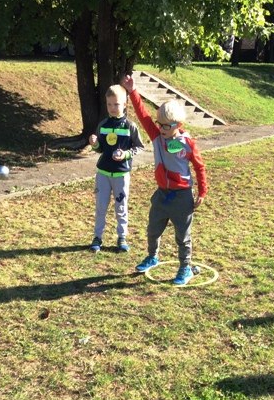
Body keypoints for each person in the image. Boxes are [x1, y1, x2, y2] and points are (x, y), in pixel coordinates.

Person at [122, 74, 208, 285]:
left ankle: (185, 268)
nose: (161, 129)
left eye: (166, 126)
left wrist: (202, 192)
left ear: (178, 124)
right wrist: (133, 91)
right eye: (159, 124)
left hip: (182, 196)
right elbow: (143, 116)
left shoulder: (187, 143)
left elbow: (199, 167)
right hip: (162, 194)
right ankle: (153, 256)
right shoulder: (156, 137)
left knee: (182, 236)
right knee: (153, 229)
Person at [88, 84, 144, 253]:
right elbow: (100, 149)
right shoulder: (103, 125)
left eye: (116, 104)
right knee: (101, 207)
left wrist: (126, 154)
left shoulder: (130, 126)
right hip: (103, 174)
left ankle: (122, 237)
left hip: (121, 175)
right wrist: (94, 144)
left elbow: (139, 147)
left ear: (125, 104)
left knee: (121, 207)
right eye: (109, 104)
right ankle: (97, 237)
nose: (112, 108)